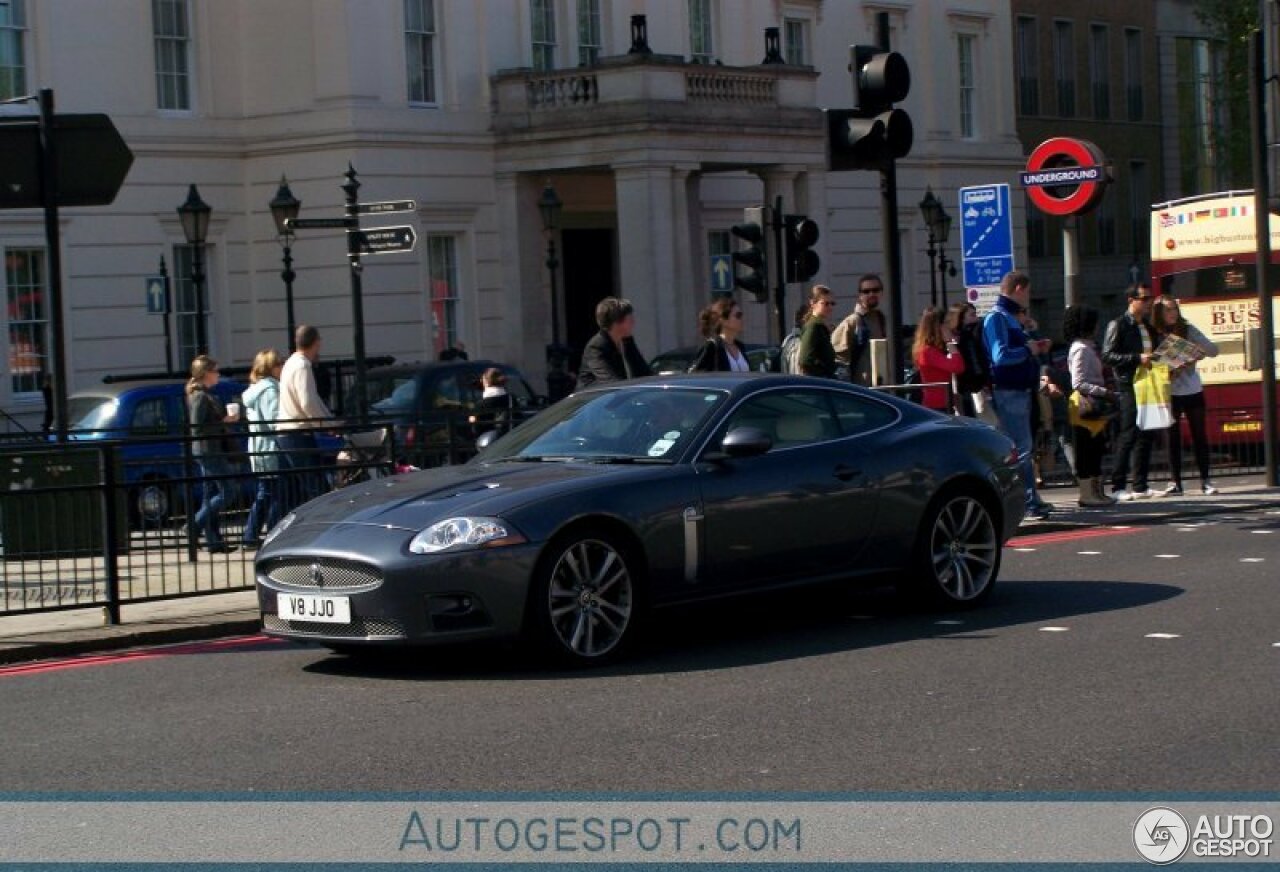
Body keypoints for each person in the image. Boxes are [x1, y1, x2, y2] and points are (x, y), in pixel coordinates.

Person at [983, 270, 1054, 522]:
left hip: (1019, 390)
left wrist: (1033, 347)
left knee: (1022, 448)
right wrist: (1028, 349)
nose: (1029, 299)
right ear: (1019, 289)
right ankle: (1028, 502)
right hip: (1009, 391)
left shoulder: (1008, 318)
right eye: (1028, 293)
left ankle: (1029, 500)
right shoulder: (998, 318)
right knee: (1020, 449)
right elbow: (1000, 357)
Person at [1153, 296, 1221, 495]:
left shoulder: (1187, 329)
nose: (1172, 313)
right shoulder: (1155, 333)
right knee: (1171, 437)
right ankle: (1175, 482)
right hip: (1169, 391)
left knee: (1199, 435)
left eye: (1174, 309)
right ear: (1159, 313)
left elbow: (1214, 350)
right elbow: (1154, 364)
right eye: (1167, 310)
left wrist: (1195, 349)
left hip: (1192, 389)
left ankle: (1206, 481)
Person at [1102, 283, 1160, 500]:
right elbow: (1108, 355)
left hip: (1148, 382)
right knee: (1128, 434)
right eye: (1144, 299)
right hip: (1129, 383)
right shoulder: (1118, 324)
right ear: (1131, 300)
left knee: (1146, 433)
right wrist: (1137, 358)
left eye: (1150, 299)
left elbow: (1154, 351)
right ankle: (1118, 486)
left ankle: (1140, 485)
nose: (1148, 303)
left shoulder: (1147, 326)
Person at [1064, 305, 1116, 508]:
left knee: (1095, 450)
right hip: (1085, 404)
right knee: (1086, 451)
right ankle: (1087, 494)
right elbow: (1078, 382)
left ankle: (1097, 492)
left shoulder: (1088, 347)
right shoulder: (1081, 349)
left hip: (1093, 403)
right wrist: (1104, 392)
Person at [278, 325, 334, 509]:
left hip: (286, 433)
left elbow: (313, 400)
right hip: (298, 433)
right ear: (316, 343)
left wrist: (328, 418)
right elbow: (308, 402)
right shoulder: (302, 365)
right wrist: (327, 424)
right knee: (317, 489)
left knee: (295, 492)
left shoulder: (290, 363)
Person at [186, 355, 238, 554]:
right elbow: (197, 428)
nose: (218, 374)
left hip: (209, 448)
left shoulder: (204, 394)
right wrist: (224, 423)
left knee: (209, 494)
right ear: (206, 373)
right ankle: (193, 525)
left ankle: (213, 541)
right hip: (208, 450)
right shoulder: (200, 396)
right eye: (215, 371)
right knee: (228, 490)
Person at [241, 349, 284, 548]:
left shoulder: (255, 390)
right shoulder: (270, 390)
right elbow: (274, 419)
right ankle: (273, 534)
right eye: (279, 364)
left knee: (265, 493)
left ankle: (250, 535)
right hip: (271, 448)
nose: (282, 367)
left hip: (258, 449)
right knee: (276, 494)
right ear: (272, 368)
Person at [577, 297, 653, 388]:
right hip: (593, 399)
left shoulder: (626, 341)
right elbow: (610, 381)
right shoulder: (596, 347)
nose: (633, 322)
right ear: (617, 323)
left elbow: (644, 374)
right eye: (629, 319)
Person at [831, 274, 888, 385]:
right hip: (862, 389)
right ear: (859, 295)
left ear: (881, 293)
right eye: (866, 291)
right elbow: (837, 357)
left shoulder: (883, 319)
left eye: (875, 290)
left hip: (883, 386)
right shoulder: (852, 321)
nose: (871, 294)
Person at [912, 306, 965, 413]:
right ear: (937, 327)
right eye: (945, 323)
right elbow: (958, 366)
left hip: (944, 403)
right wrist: (950, 342)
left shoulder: (933, 349)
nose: (948, 326)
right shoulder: (927, 351)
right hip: (936, 406)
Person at [946, 302, 988, 416]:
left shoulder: (973, 336)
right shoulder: (957, 341)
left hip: (975, 388)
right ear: (961, 319)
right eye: (972, 315)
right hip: (965, 390)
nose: (976, 318)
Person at [689, 298, 750, 372]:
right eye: (738, 315)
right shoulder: (712, 346)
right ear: (724, 321)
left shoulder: (740, 346)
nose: (742, 319)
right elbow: (694, 374)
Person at [797, 284, 838, 378]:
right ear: (813, 303)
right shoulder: (814, 326)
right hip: (819, 382)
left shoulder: (820, 325)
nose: (830, 307)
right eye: (825, 304)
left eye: (832, 303)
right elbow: (805, 360)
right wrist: (825, 374)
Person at [471, 367, 515, 438]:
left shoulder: (481, 405)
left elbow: (475, 431)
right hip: (512, 442)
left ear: (486, 382)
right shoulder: (512, 399)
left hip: (492, 445)